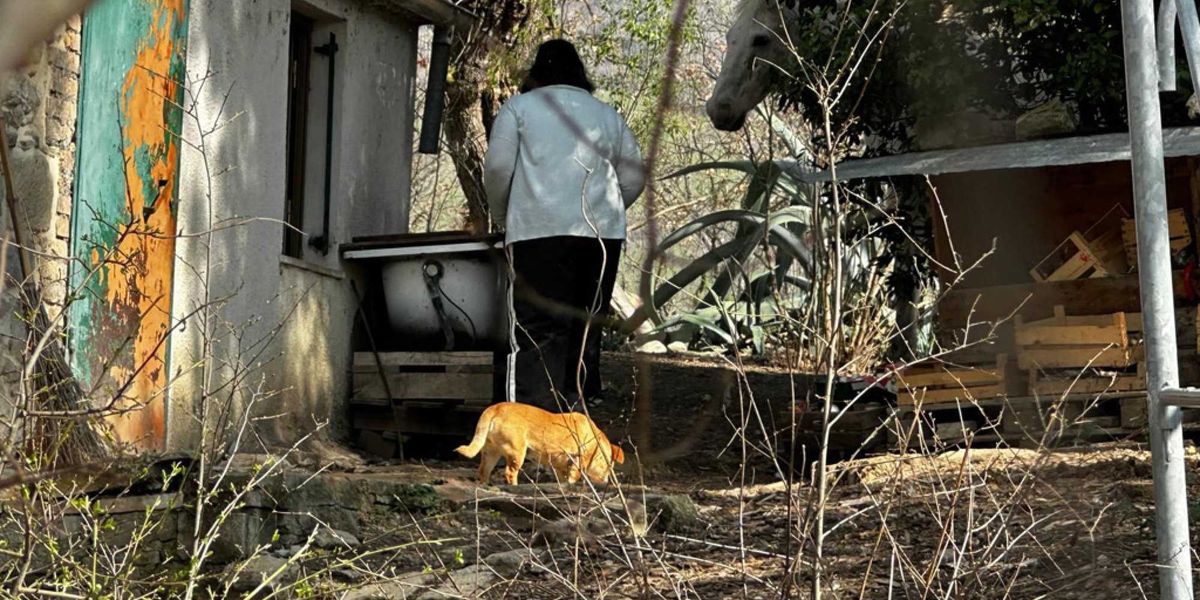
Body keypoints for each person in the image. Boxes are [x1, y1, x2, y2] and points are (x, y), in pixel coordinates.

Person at [483, 39, 645, 411]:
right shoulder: (607, 115)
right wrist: (608, 211)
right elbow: (634, 177)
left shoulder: (519, 108)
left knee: (536, 329)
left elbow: (498, 168)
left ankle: (531, 417)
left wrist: (503, 215)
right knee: (584, 328)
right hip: (601, 237)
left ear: (536, 73)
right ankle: (575, 422)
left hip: (536, 233)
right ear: (580, 74)